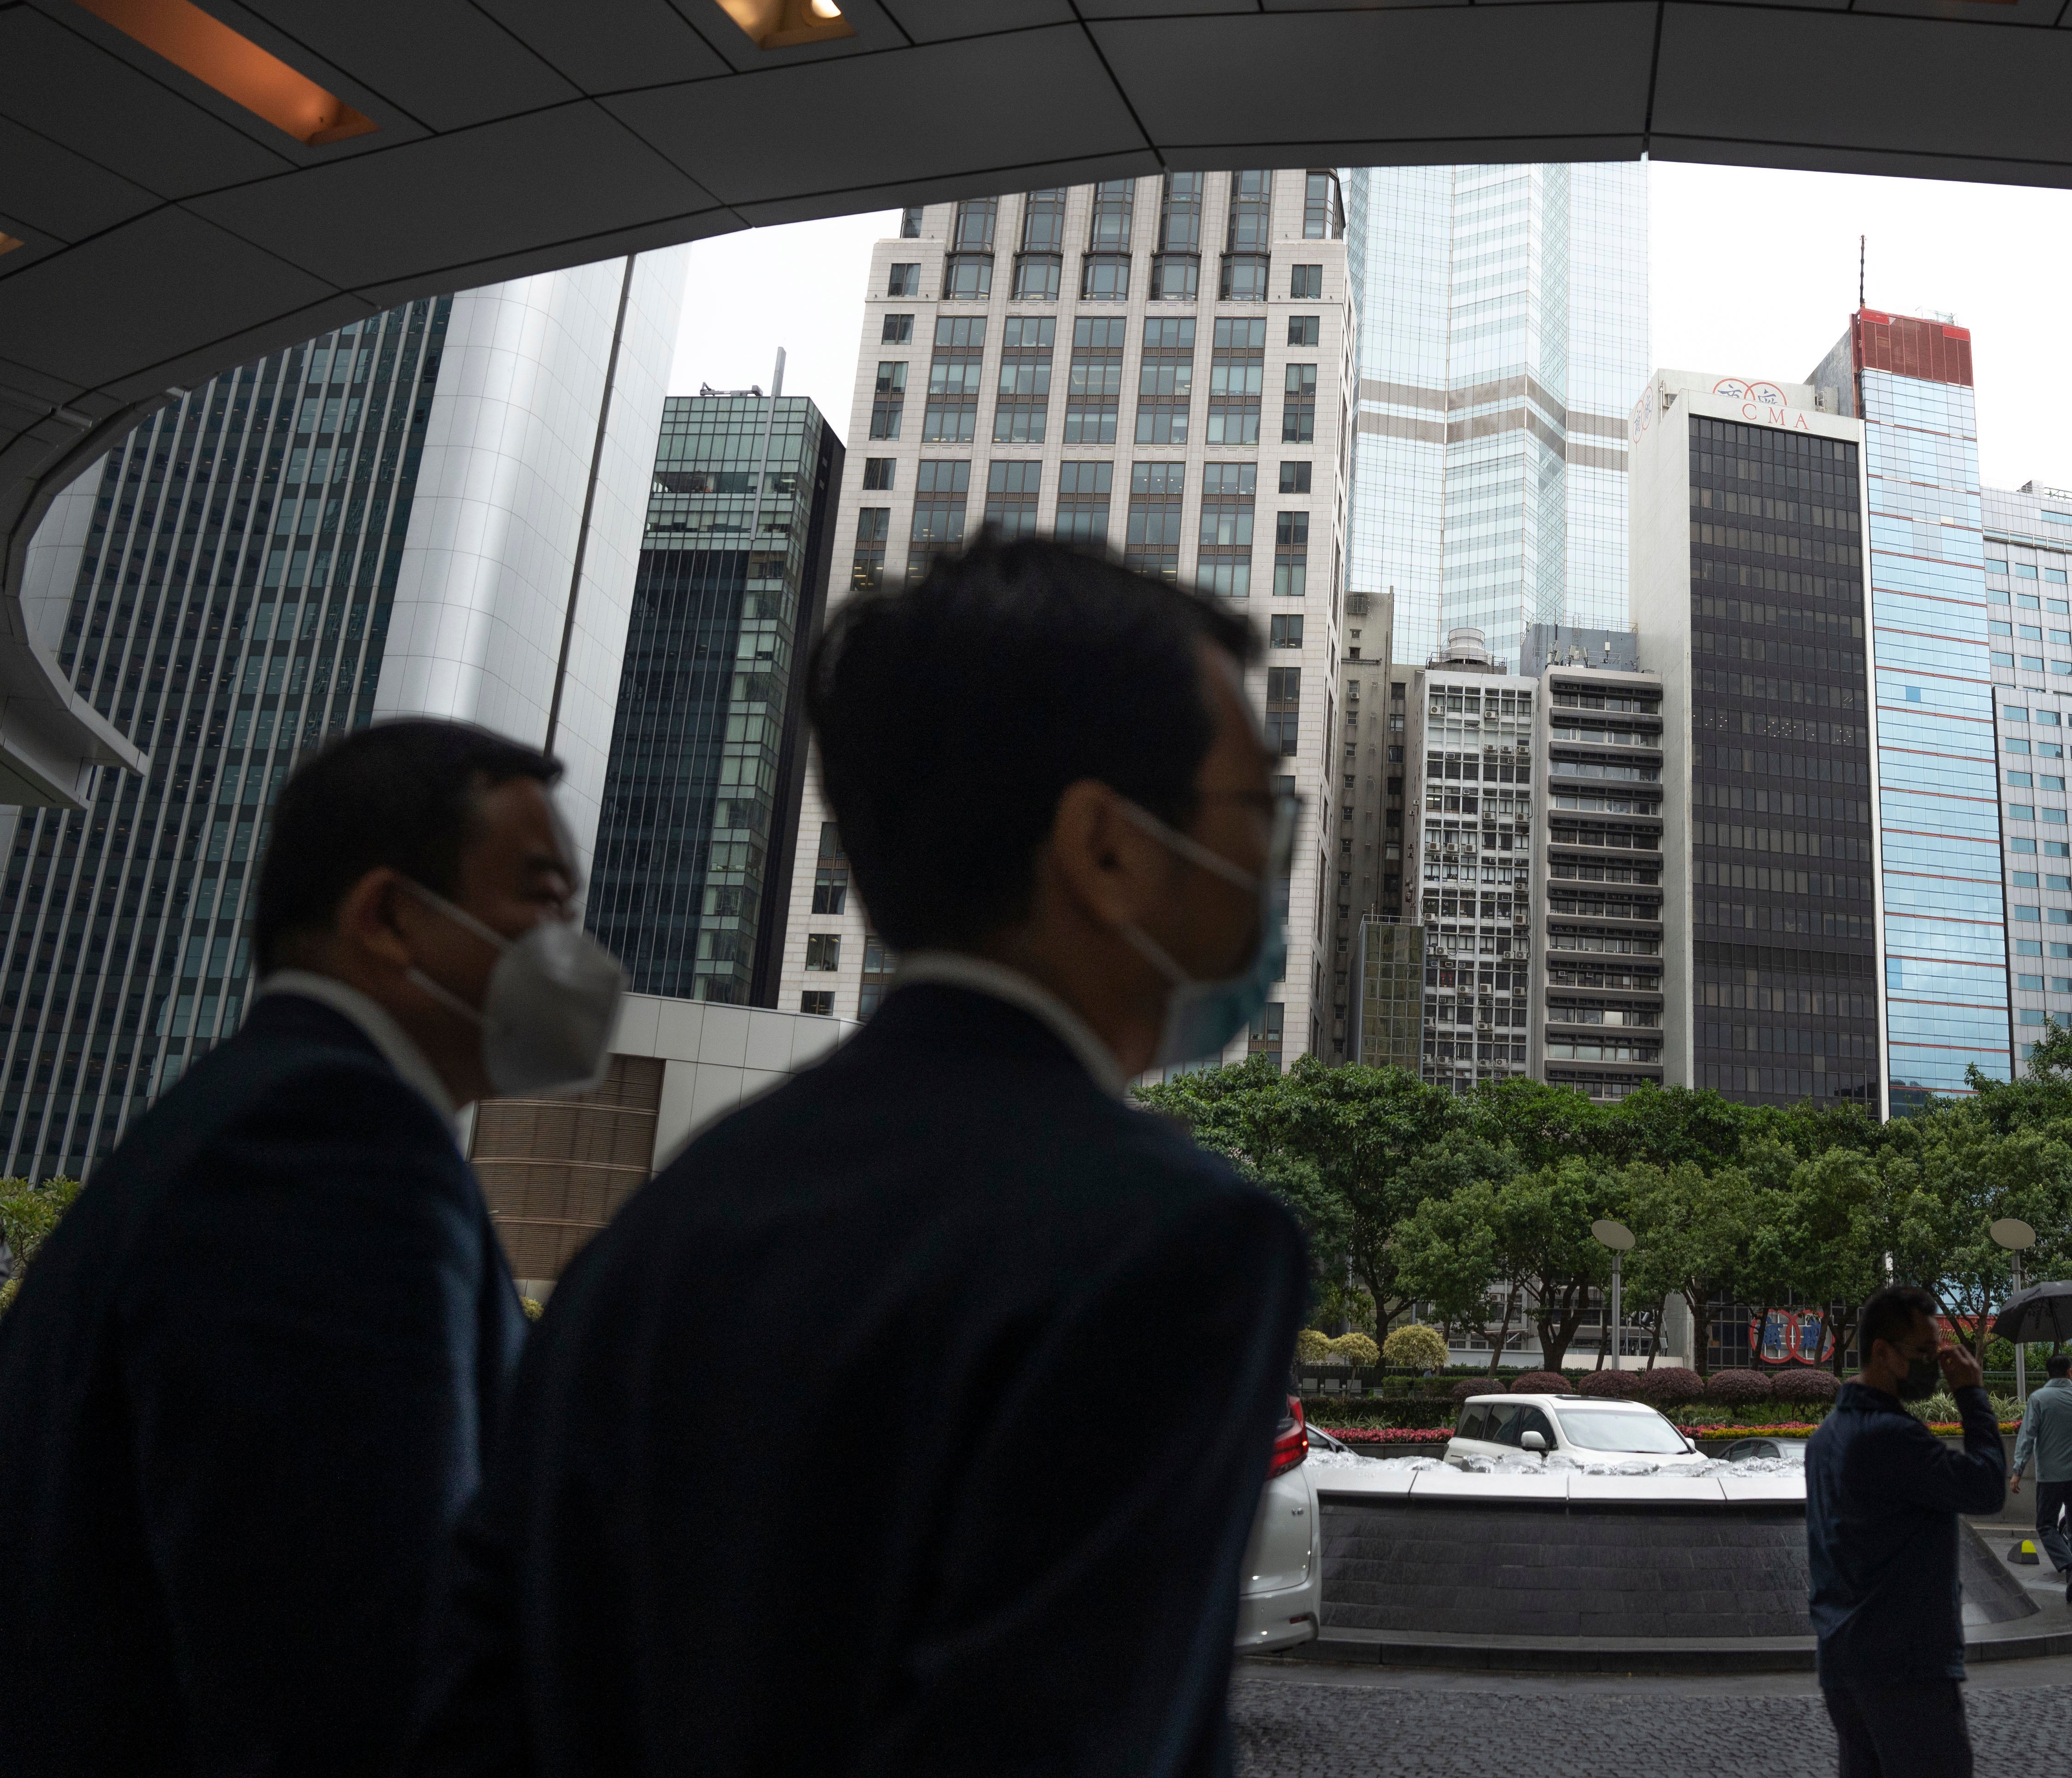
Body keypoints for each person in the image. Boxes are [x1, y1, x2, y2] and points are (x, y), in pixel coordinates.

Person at [409, 537, 1310, 1778]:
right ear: (1104, 848)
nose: (1276, 862)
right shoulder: (1174, 1241)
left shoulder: (673, 1224)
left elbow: (481, 1704)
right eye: (1261, 807)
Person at [0, 720, 600, 1777]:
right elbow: (360, 1667)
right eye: (542, 899)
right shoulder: (333, 1142)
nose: (574, 951)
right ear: (388, 918)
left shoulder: (228, 1115)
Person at [1804, 1282, 2006, 1778]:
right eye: (1922, 1351)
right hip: (1905, 1666)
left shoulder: (1825, 1436)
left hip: (1842, 1659)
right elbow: (1986, 1486)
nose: (1934, 1364)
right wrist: (1972, 1395)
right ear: (1882, 1351)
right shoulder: (1893, 1436)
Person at [2008, 1350, 2072, 1599]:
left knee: (2046, 1525)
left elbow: (2028, 1436)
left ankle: (2070, 1565)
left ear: (2047, 1374)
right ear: (2069, 1372)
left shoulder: (2039, 1398)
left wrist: (2018, 1470)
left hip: (2051, 1476)